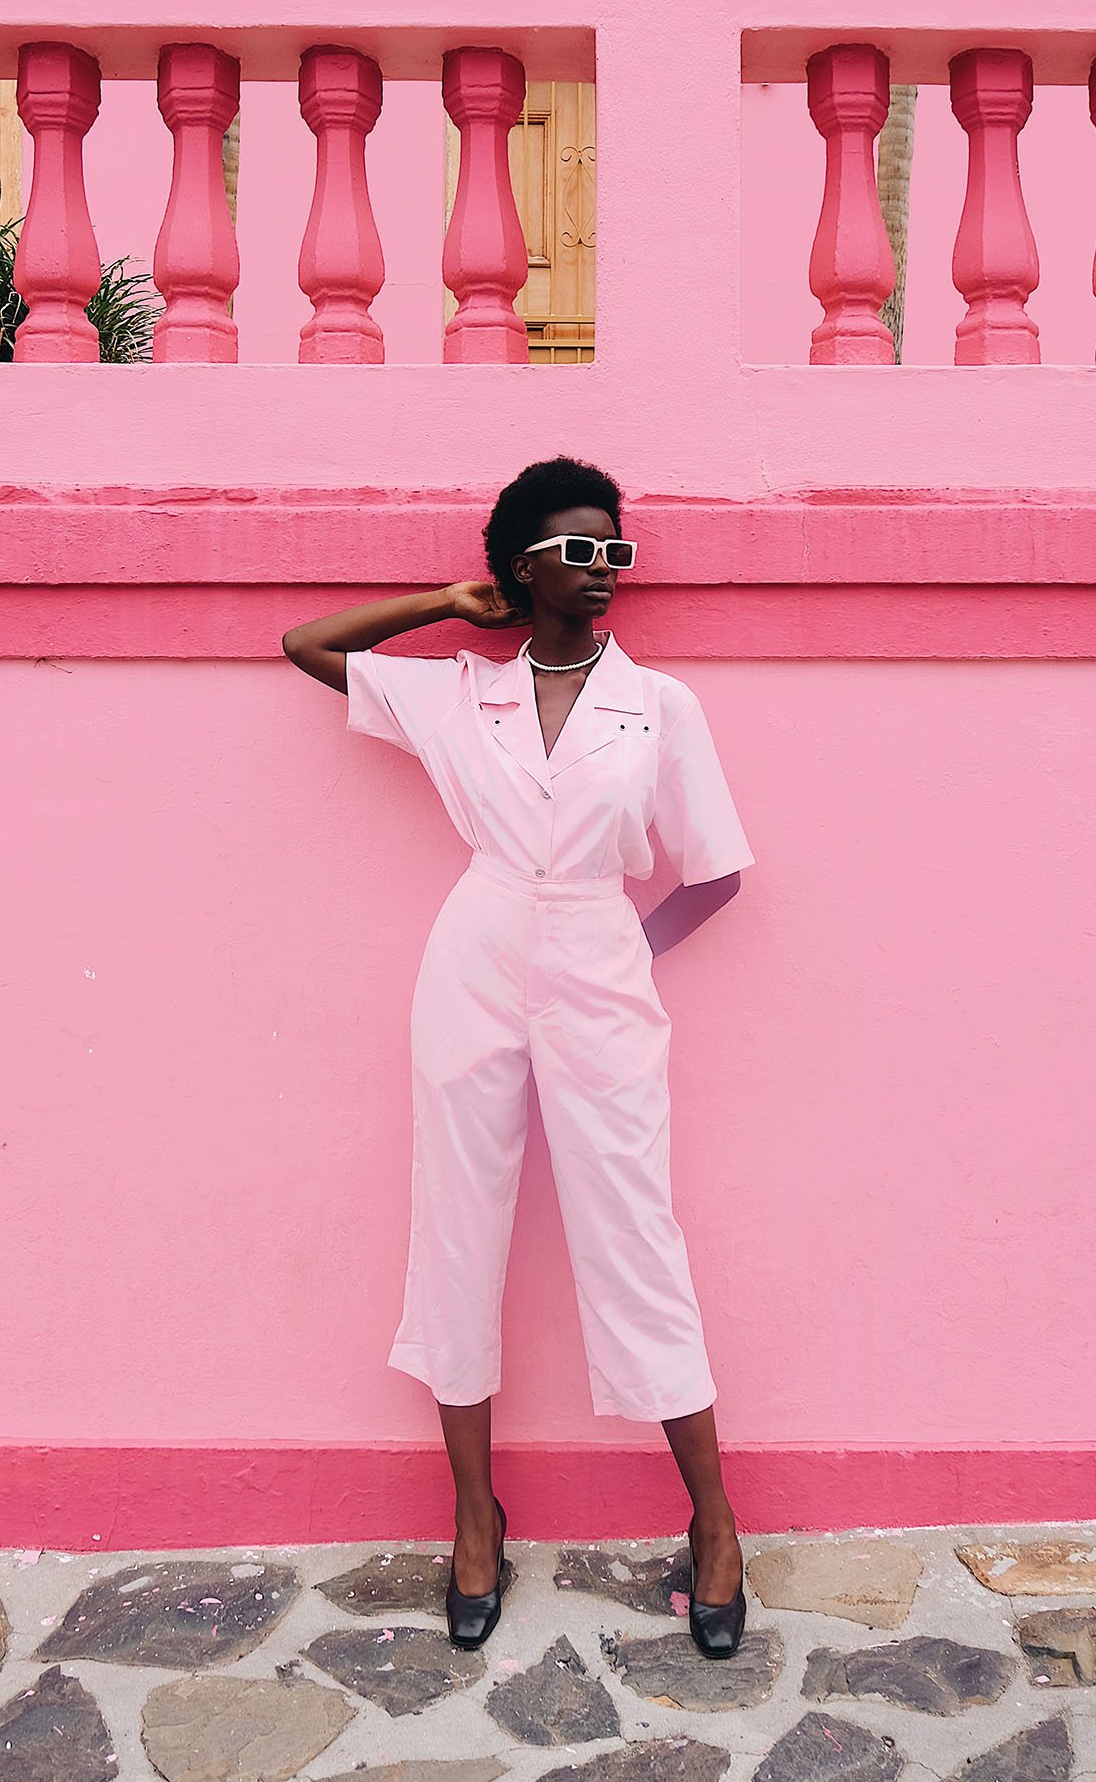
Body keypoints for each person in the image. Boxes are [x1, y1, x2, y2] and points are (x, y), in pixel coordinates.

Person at [282, 454, 755, 1658]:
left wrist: (627, 959)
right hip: (478, 951)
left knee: (633, 1227)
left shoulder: (662, 705)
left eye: (616, 550)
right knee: (457, 1220)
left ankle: (713, 1523)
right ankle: (475, 1516)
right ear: (523, 564)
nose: (603, 571)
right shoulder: (456, 693)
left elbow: (715, 871)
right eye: (577, 548)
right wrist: (450, 598)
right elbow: (307, 642)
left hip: (598, 951)